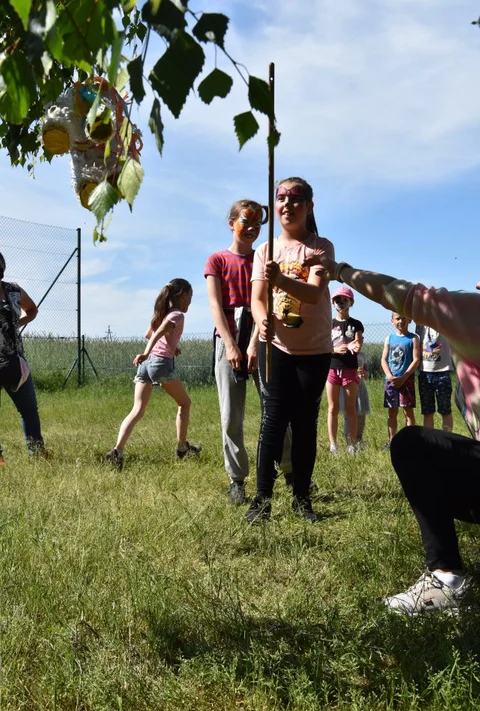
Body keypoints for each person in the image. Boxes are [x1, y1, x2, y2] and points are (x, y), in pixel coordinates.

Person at [306, 253, 480, 616]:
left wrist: (340, 270)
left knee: (412, 444)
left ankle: (446, 579)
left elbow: (396, 291)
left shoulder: (472, 312)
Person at [247, 176, 334, 523]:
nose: (287, 204)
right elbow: (256, 299)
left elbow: (313, 294)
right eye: (281, 197)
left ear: (309, 207)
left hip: (313, 350)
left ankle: (302, 498)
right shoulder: (265, 250)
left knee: (304, 423)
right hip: (277, 347)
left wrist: (279, 279)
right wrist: (260, 318)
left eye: (296, 198)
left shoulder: (321, 247)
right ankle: (261, 500)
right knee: (272, 422)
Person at [205, 199, 292, 505]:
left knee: (276, 410)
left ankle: (292, 472)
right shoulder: (216, 260)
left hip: (262, 340)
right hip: (227, 341)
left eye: (258, 224)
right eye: (246, 221)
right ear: (231, 223)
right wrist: (230, 344)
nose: (252, 229)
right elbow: (216, 305)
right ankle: (237, 479)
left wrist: (255, 342)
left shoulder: (264, 259)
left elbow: (265, 301)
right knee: (231, 415)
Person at [104, 279, 200, 470]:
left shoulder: (161, 313)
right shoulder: (177, 315)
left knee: (137, 409)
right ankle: (182, 448)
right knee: (185, 403)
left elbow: (149, 333)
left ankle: (117, 451)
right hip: (159, 363)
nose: (190, 301)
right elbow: (160, 332)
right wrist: (148, 352)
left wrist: (173, 346)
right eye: (190, 297)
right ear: (182, 296)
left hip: (146, 366)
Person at [0, 251, 47, 461]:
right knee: (29, 410)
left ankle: (37, 452)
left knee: (28, 410)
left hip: (15, 362)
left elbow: (32, 310)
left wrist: (16, 325)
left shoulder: (13, 291)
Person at [326, 286, 363, 455]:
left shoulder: (356, 324)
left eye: (344, 300)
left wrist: (351, 346)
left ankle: (351, 444)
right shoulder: (328, 323)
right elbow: (322, 344)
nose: (341, 303)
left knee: (350, 409)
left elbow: (358, 343)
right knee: (332, 408)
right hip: (332, 369)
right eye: (337, 300)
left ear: (351, 302)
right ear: (333, 303)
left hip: (350, 369)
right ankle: (333, 444)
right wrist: (334, 350)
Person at [380, 313, 420, 449]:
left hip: (406, 381)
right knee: (392, 412)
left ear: (409, 319)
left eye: (404, 317)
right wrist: (389, 376)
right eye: (397, 318)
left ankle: (410, 441)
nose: (401, 321)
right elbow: (384, 359)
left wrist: (404, 377)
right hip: (391, 381)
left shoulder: (413, 338)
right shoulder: (389, 338)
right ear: (392, 321)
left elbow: (416, 359)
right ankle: (392, 441)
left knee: (408, 412)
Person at [415, 324, 454, 432]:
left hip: (443, 372)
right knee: (427, 412)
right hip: (425, 374)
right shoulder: (420, 325)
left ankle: (447, 441)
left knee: (445, 410)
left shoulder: (444, 323)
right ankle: (430, 443)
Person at [339, 350, 370, 448]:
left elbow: (367, 373)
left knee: (361, 414)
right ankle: (349, 440)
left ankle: (359, 439)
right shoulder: (345, 354)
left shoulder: (362, 355)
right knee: (348, 414)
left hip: (360, 387)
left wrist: (364, 373)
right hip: (348, 386)